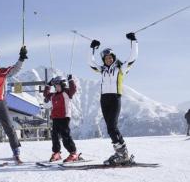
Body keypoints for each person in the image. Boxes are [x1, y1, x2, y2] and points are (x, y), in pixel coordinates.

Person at [89, 32, 138, 165]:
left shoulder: (120, 68)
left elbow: (133, 58)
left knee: (112, 126)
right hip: (104, 99)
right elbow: (91, 63)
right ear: (104, 60)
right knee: (110, 128)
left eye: (110, 57)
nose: (108, 60)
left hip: (115, 98)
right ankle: (121, 153)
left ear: (114, 58)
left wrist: (133, 41)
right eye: (106, 58)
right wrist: (93, 49)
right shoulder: (102, 70)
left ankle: (123, 154)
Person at [43, 75, 82, 162]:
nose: (56, 88)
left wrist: (71, 80)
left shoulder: (67, 93)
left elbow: (73, 89)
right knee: (55, 136)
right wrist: (48, 85)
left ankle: (73, 153)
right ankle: (56, 153)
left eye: (58, 86)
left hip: (64, 117)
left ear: (63, 85)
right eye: (55, 86)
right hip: (55, 118)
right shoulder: (53, 95)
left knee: (65, 136)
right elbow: (45, 94)